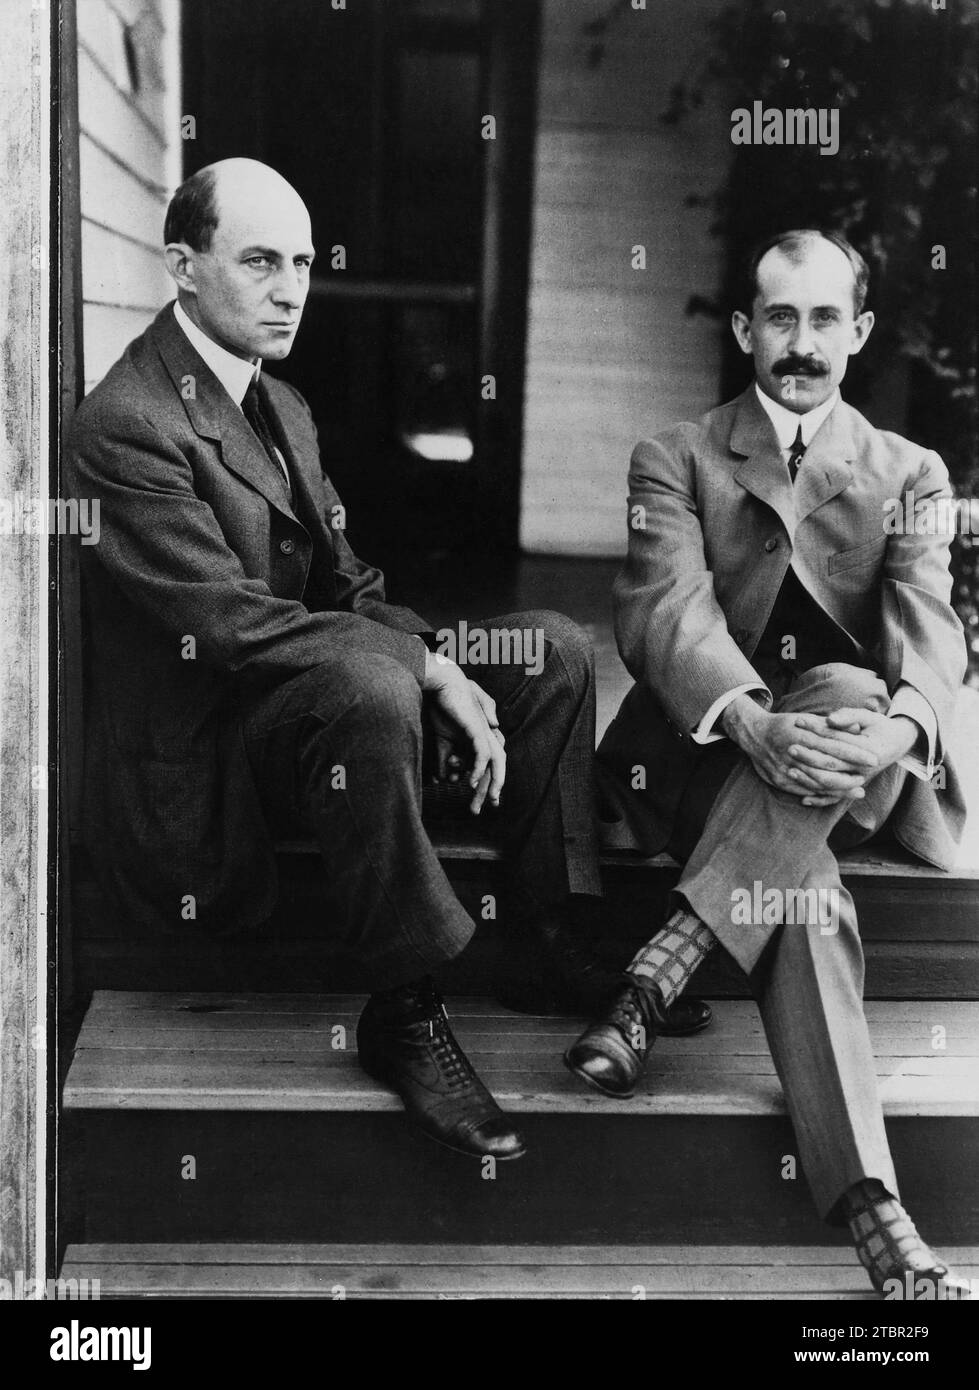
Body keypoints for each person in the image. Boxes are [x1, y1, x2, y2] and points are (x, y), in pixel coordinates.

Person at [66, 157, 707, 1167]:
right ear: (182, 267)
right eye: (260, 261)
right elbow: (231, 626)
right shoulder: (125, 426)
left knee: (548, 646)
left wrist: (444, 656)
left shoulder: (281, 403)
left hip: (307, 705)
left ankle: (547, 933)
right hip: (215, 760)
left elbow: (347, 585)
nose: (291, 289)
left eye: (304, 262)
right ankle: (404, 1010)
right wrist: (428, 670)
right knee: (373, 682)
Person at [566, 229, 972, 1297]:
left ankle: (660, 967)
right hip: (709, 761)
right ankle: (877, 1212)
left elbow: (931, 630)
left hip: (852, 764)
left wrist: (898, 730)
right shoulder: (676, 454)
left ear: (860, 331)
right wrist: (749, 720)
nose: (801, 344)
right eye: (779, 318)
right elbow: (663, 614)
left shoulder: (910, 472)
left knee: (850, 693)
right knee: (809, 906)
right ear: (745, 329)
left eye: (824, 318)